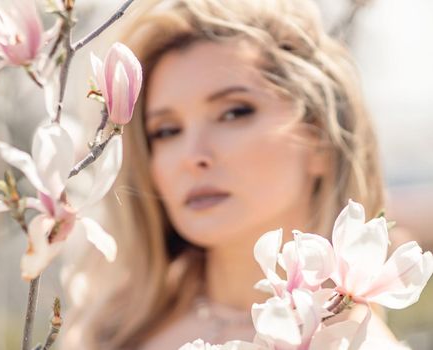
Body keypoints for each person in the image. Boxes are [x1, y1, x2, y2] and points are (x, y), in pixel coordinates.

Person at [62, 0, 397, 348]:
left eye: (234, 113)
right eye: (165, 131)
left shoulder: (354, 341)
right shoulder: (110, 332)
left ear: (320, 139)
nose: (193, 156)